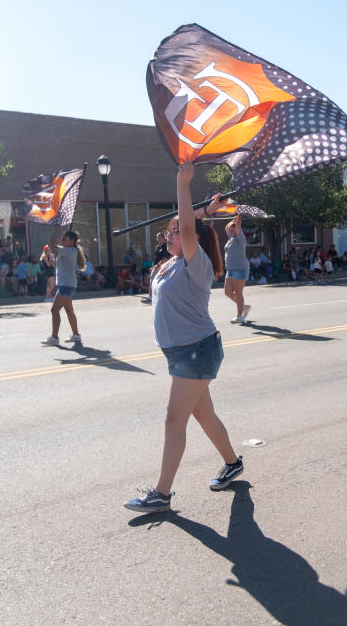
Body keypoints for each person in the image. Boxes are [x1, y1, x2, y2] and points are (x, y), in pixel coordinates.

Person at [124, 164, 242, 514]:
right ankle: (233, 462)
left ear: (192, 239)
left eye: (176, 231)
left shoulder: (197, 263)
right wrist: (207, 209)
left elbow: (189, 225)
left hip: (196, 351)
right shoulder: (170, 264)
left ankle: (161, 494)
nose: (170, 234)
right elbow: (187, 223)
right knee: (204, 416)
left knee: (174, 420)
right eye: (170, 230)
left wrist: (183, 184)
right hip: (182, 353)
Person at [42, 226, 86, 346]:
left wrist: (55, 230)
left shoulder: (68, 250)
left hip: (66, 285)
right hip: (67, 285)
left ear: (71, 241)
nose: (62, 239)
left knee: (54, 310)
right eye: (62, 237)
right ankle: (76, 335)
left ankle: (54, 337)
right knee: (69, 310)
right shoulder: (69, 250)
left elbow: (51, 244)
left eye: (65, 238)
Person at [223, 212, 251, 324]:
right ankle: (243, 306)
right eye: (229, 229)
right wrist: (233, 220)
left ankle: (240, 316)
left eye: (232, 229)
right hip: (230, 269)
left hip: (240, 268)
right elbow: (226, 228)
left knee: (238, 292)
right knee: (228, 292)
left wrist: (238, 218)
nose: (230, 231)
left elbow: (237, 227)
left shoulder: (240, 238)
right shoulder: (230, 239)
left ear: (237, 229)